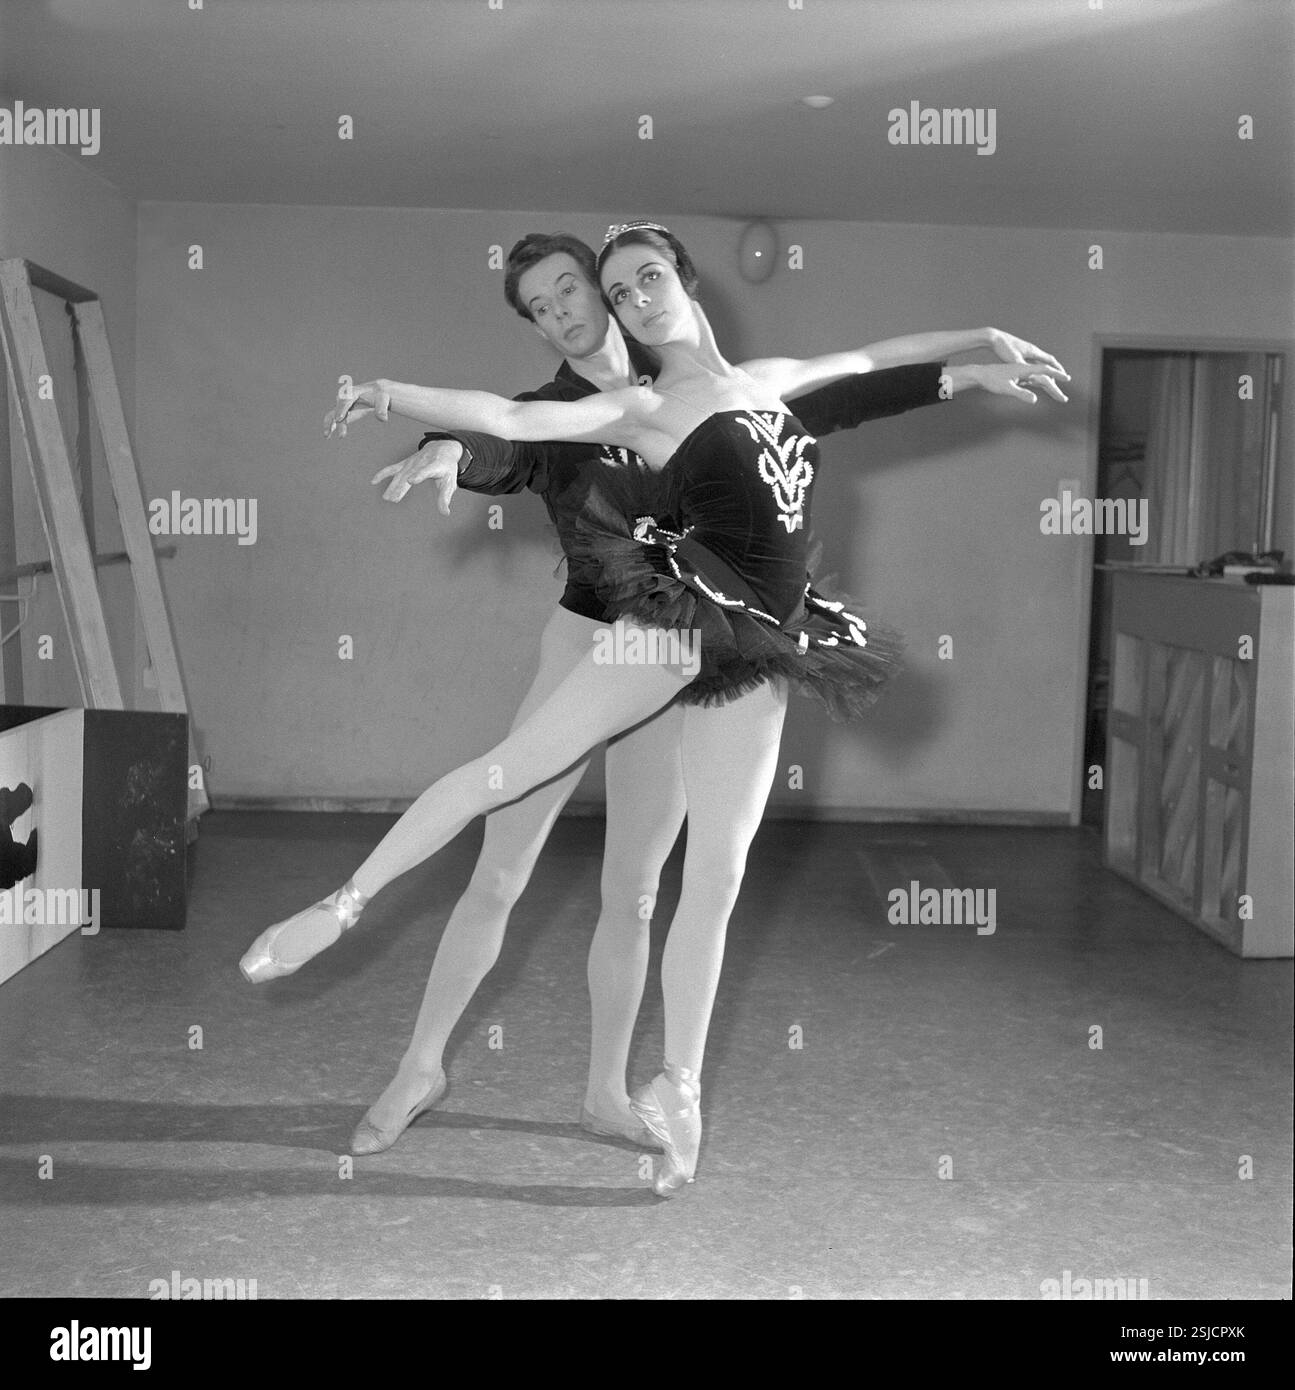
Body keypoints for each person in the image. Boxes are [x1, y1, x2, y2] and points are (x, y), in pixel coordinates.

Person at [242, 222, 1068, 1193]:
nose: (572, 310)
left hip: (720, 646)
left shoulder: (720, 378)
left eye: (586, 290)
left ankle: (624, 1088)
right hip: (608, 637)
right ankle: (394, 1015)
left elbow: (853, 376)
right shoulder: (611, 405)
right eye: (548, 305)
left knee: (655, 885)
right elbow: (508, 432)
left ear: (648, 287)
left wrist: (973, 358)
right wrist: (433, 442)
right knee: (502, 855)